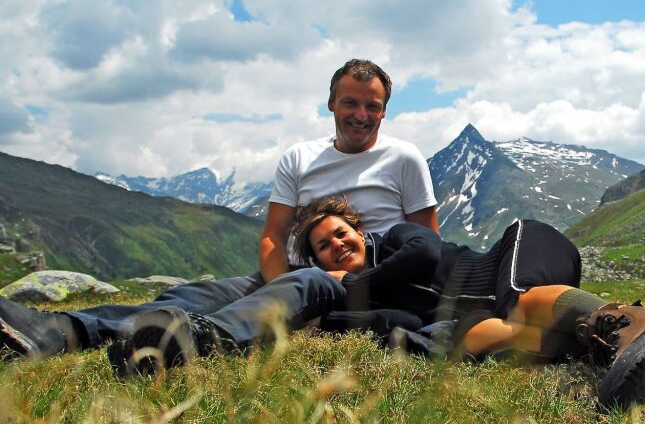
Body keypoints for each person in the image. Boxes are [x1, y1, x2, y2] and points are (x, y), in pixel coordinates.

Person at [0, 59, 437, 360]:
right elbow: (273, 235)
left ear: (384, 112)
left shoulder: (404, 158)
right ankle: (58, 331)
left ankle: (188, 340)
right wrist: (281, 287)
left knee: (244, 301)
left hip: (363, 281)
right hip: (293, 274)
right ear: (331, 104)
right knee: (194, 296)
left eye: (372, 106)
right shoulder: (299, 157)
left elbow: (427, 243)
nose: (361, 114)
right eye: (351, 102)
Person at [109, 196, 645, 408]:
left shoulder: (396, 238)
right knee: (474, 339)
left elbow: (424, 255)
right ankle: (622, 350)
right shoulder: (346, 296)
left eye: (341, 234)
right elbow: (390, 326)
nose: (337, 246)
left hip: (514, 256)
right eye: (323, 247)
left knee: (519, 299)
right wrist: (331, 318)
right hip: (475, 316)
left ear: (358, 230)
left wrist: (347, 291)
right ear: (316, 260)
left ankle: (627, 323)